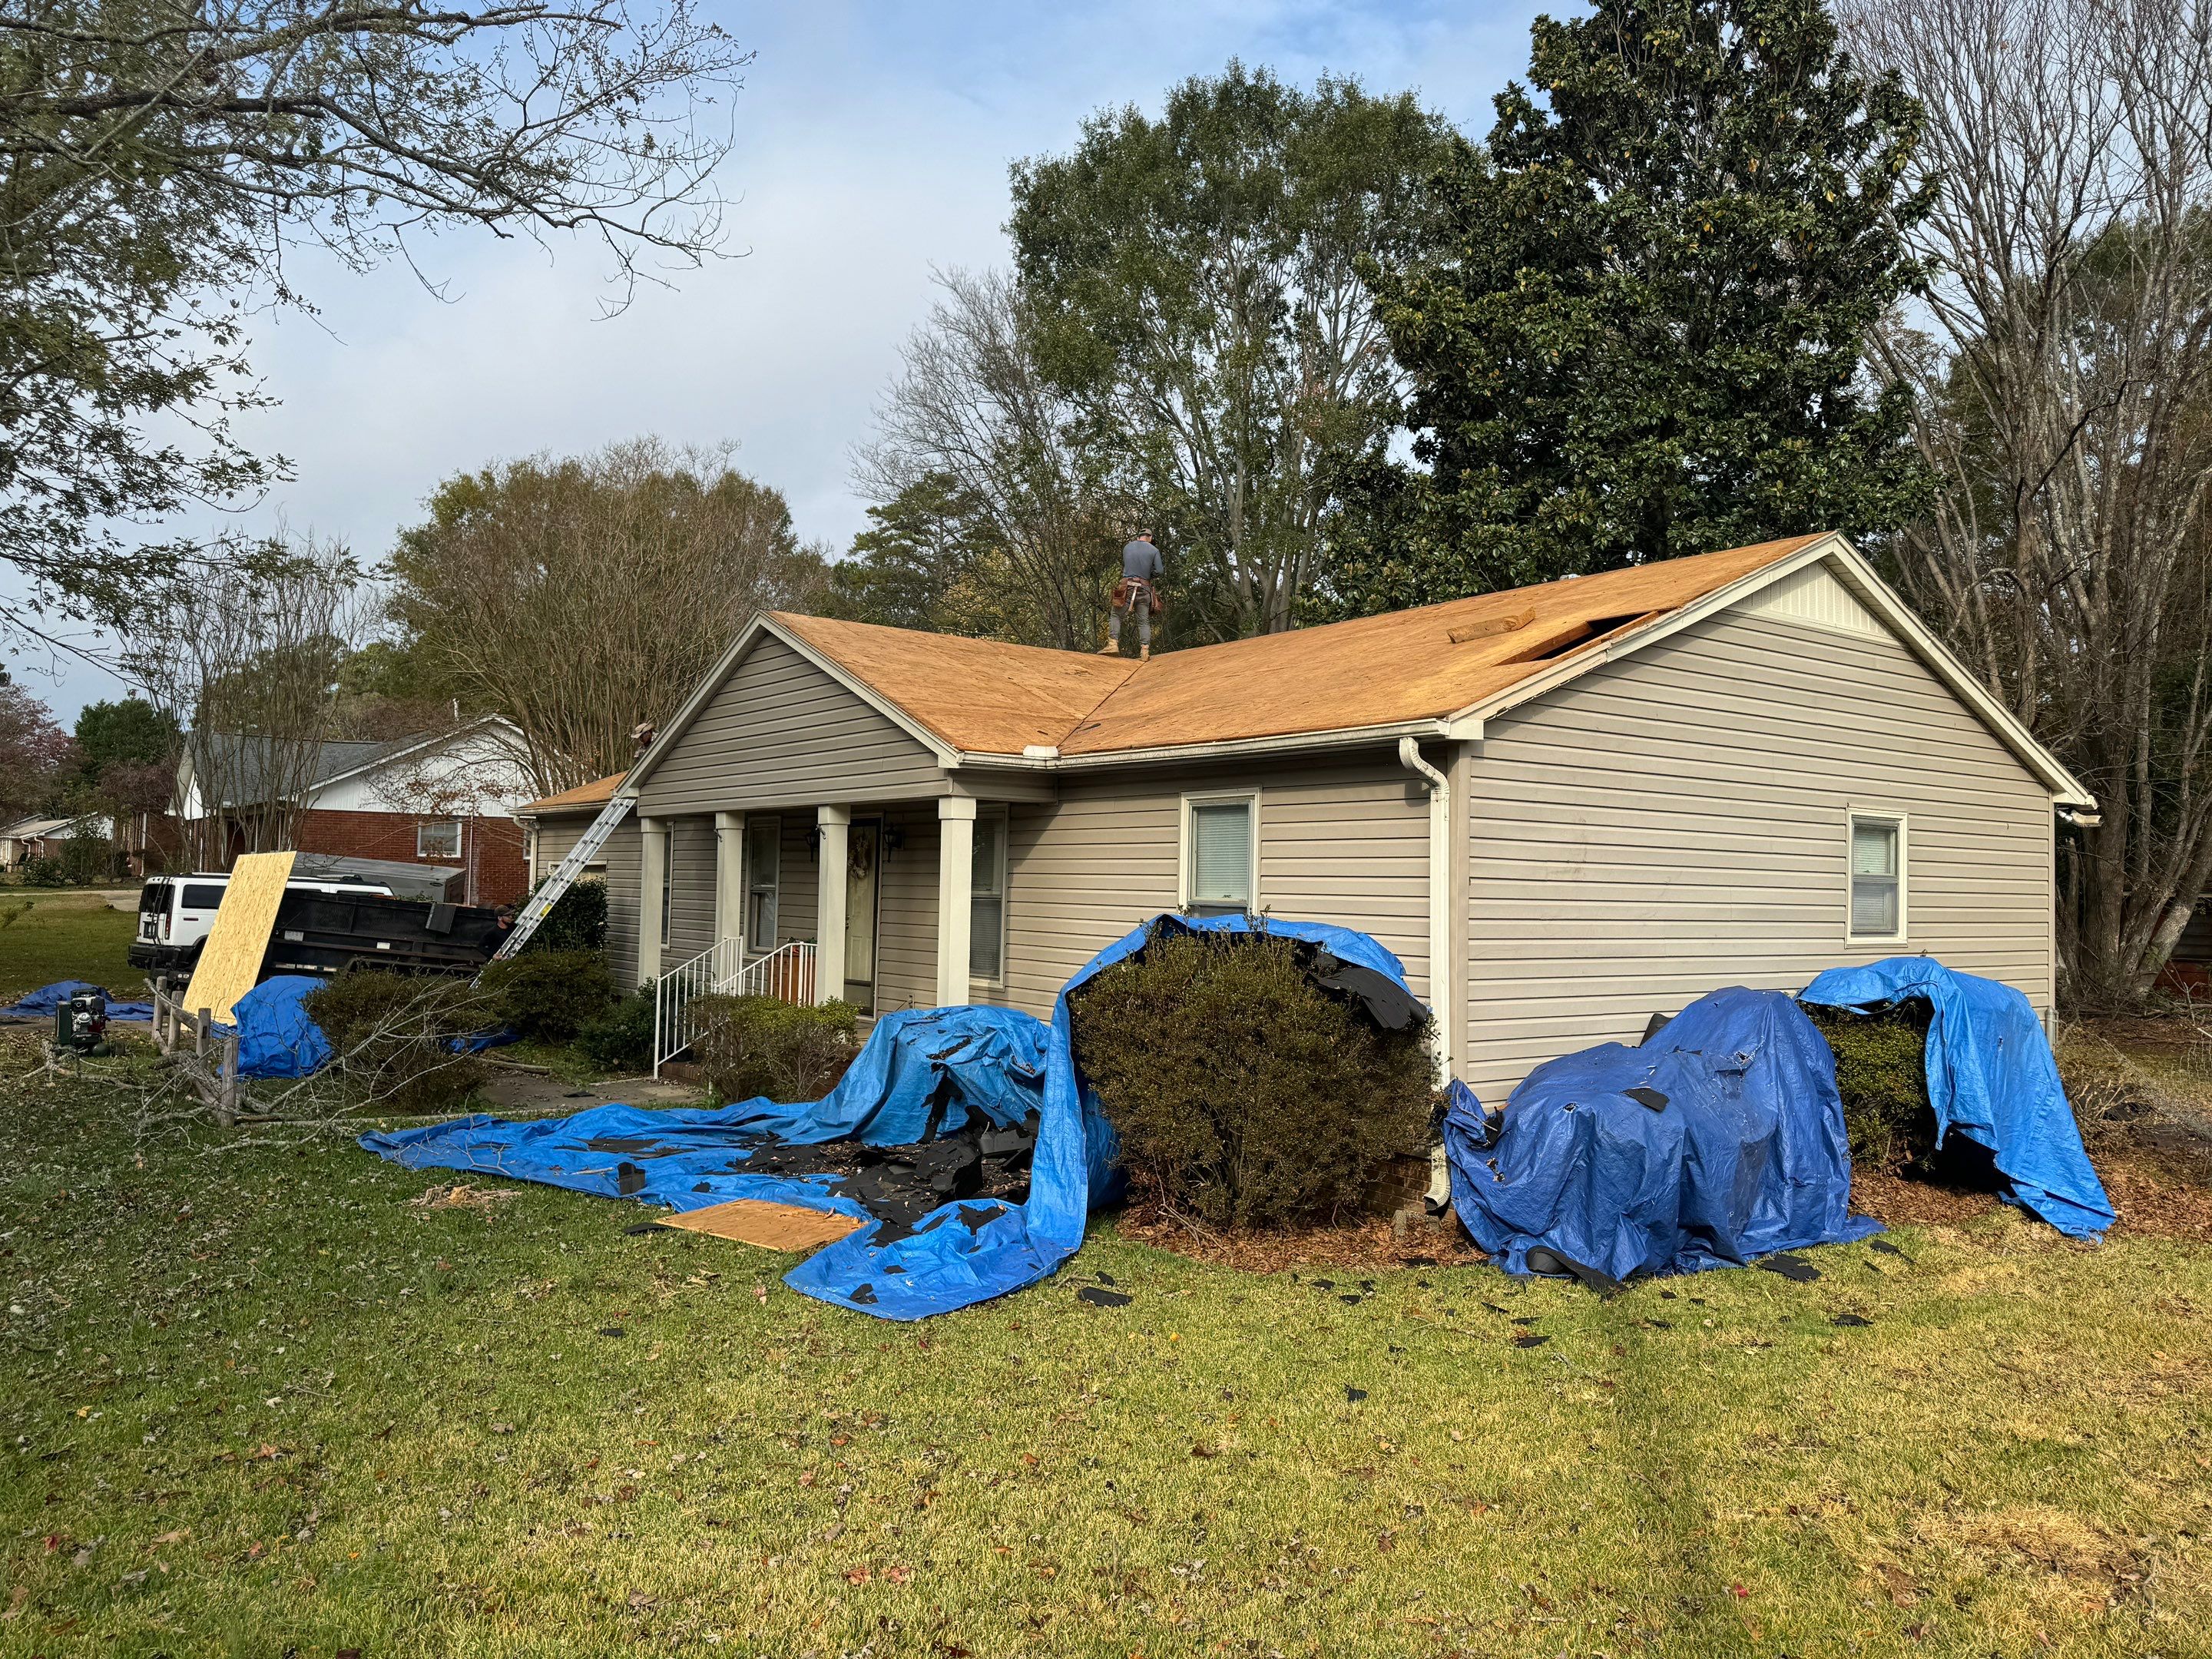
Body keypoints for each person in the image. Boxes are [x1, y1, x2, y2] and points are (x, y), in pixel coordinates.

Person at [1104, 530, 1164, 660]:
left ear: (1138, 537)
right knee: (1143, 620)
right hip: (1144, 588)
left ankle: (1113, 645)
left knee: (1116, 615)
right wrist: (1148, 576)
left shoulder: (1128, 547)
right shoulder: (1154, 550)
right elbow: (1159, 570)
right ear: (1150, 537)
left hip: (1127, 587)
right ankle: (1144, 652)